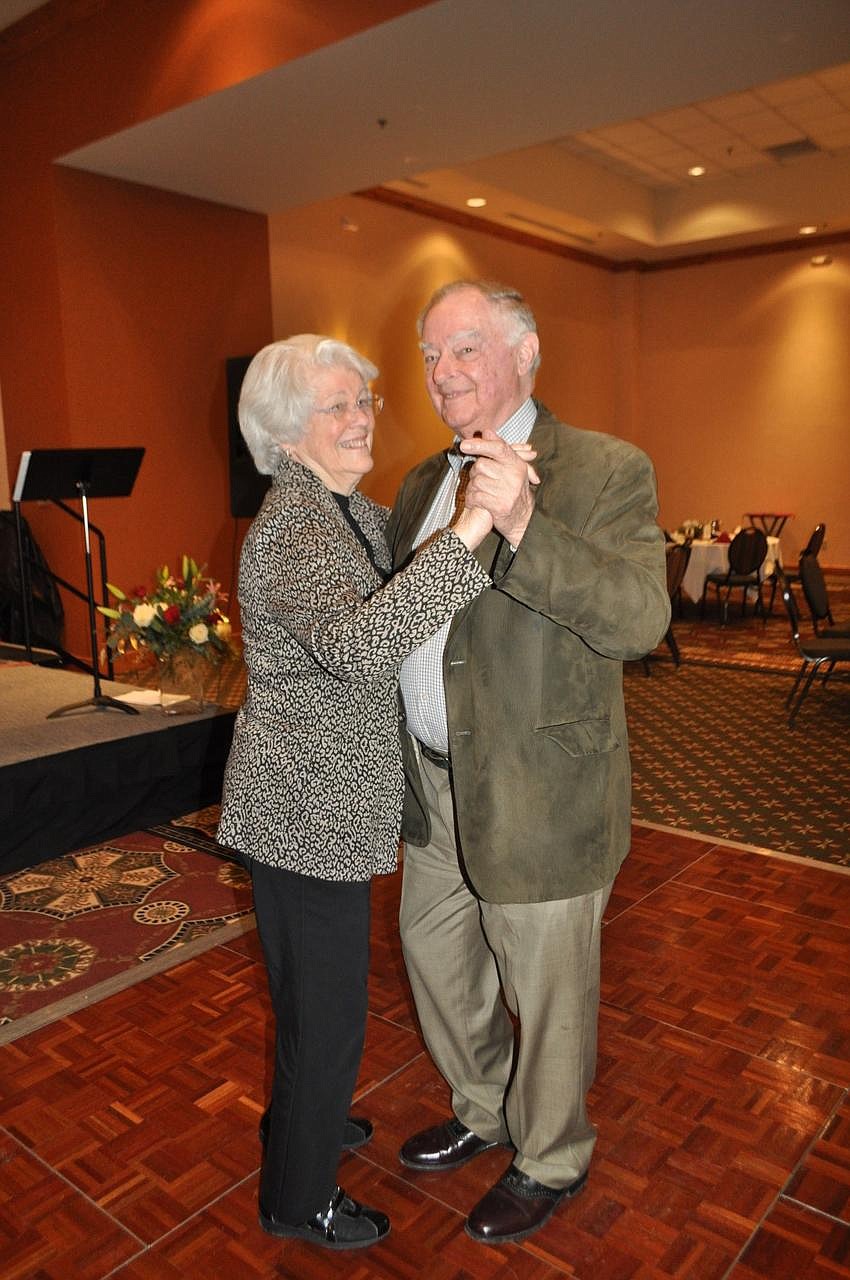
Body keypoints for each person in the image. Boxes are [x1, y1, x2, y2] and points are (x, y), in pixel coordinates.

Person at [386, 280, 671, 1246]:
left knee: (546, 993)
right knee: (436, 959)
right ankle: (483, 1109)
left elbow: (642, 620)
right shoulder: (423, 483)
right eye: (430, 355)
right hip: (435, 782)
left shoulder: (604, 469)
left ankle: (550, 1154)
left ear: (527, 352)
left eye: (463, 349)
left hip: (542, 791)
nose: (442, 373)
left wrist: (523, 528)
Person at [217, 333, 514, 1251]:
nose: (361, 418)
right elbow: (357, 647)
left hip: (319, 803)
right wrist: (471, 529)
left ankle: (299, 1122)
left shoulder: (343, 510)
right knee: (332, 1015)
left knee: (310, 1003)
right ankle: (296, 1198)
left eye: (364, 400)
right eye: (337, 405)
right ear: (285, 430)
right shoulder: (294, 530)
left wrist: (484, 488)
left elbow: (407, 570)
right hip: (307, 814)